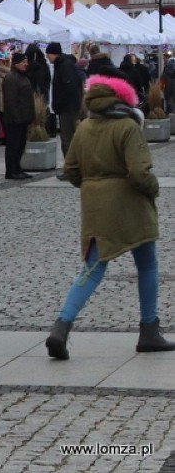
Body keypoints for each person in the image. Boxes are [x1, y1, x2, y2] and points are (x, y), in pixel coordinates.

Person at [45, 73, 175, 360]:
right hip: (132, 205)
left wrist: (92, 188)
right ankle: (149, 330)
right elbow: (139, 172)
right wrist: (153, 189)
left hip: (95, 205)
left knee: (92, 268)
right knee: (148, 265)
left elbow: (71, 170)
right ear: (123, 99)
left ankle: (61, 326)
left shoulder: (83, 127)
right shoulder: (128, 126)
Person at [45, 42, 83, 169]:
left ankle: (71, 167)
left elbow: (69, 88)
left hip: (68, 108)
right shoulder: (63, 64)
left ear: (53, 53)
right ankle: (73, 166)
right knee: (68, 138)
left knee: (67, 139)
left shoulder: (64, 66)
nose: (47, 57)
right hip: (68, 108)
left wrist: (60, 104)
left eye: (48, 54)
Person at [2, 52, 35, 180]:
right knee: (13, 146)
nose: (26, 64)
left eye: (26, 62)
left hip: (23, 118)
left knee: (20, 145)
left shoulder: (22, 76)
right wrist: (16, 117)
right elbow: (11, 100)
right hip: (15, 119)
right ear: (16, 64)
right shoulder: (11, 78)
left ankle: (17, 168)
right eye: (23, 62)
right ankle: (11, 170)